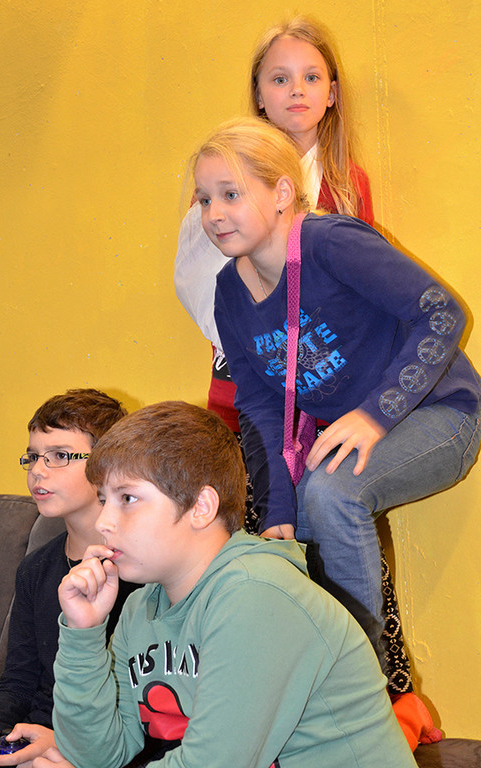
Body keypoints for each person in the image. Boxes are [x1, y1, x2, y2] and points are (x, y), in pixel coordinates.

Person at [174, 16, 413, 703]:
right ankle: (272, 700)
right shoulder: (224, 174)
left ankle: (379, 698)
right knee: (270, 537)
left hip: (335, 393)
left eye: (312, 77)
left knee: (343, 524)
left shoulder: (345, 182)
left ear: (333, 92)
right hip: (252, 391)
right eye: (280, 79)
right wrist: (262, 354)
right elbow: (202, 285)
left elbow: (359, 291)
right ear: (258, 93)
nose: (297, 91)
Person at [193, 117, 480, 679]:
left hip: (441, 413)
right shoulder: (228, 293)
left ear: (281, 192)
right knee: (287, 527)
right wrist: (277, 510)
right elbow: (259, 406)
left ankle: (363, 686)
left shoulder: (331, 242)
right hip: (367, 431)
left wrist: (373, 417)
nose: (214, 214)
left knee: (330, 493)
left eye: (231, 194)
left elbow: (443, 313)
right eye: (204, 199)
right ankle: (311, 686)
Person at [39, 401, 416, 768]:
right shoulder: (141, 609)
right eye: (103, 500)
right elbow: (96, 756)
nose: (103, 522)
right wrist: (83, 634)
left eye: (127, 498)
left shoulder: (257, 594)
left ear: (201, 507)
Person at [0, 388, 140, 768]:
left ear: (107, 464)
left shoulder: (140, 569)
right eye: (32, 457)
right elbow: (18, 682)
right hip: (32, 739)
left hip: (101, 745)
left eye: (60, 456)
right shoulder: (35, 569)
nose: (37, 471)